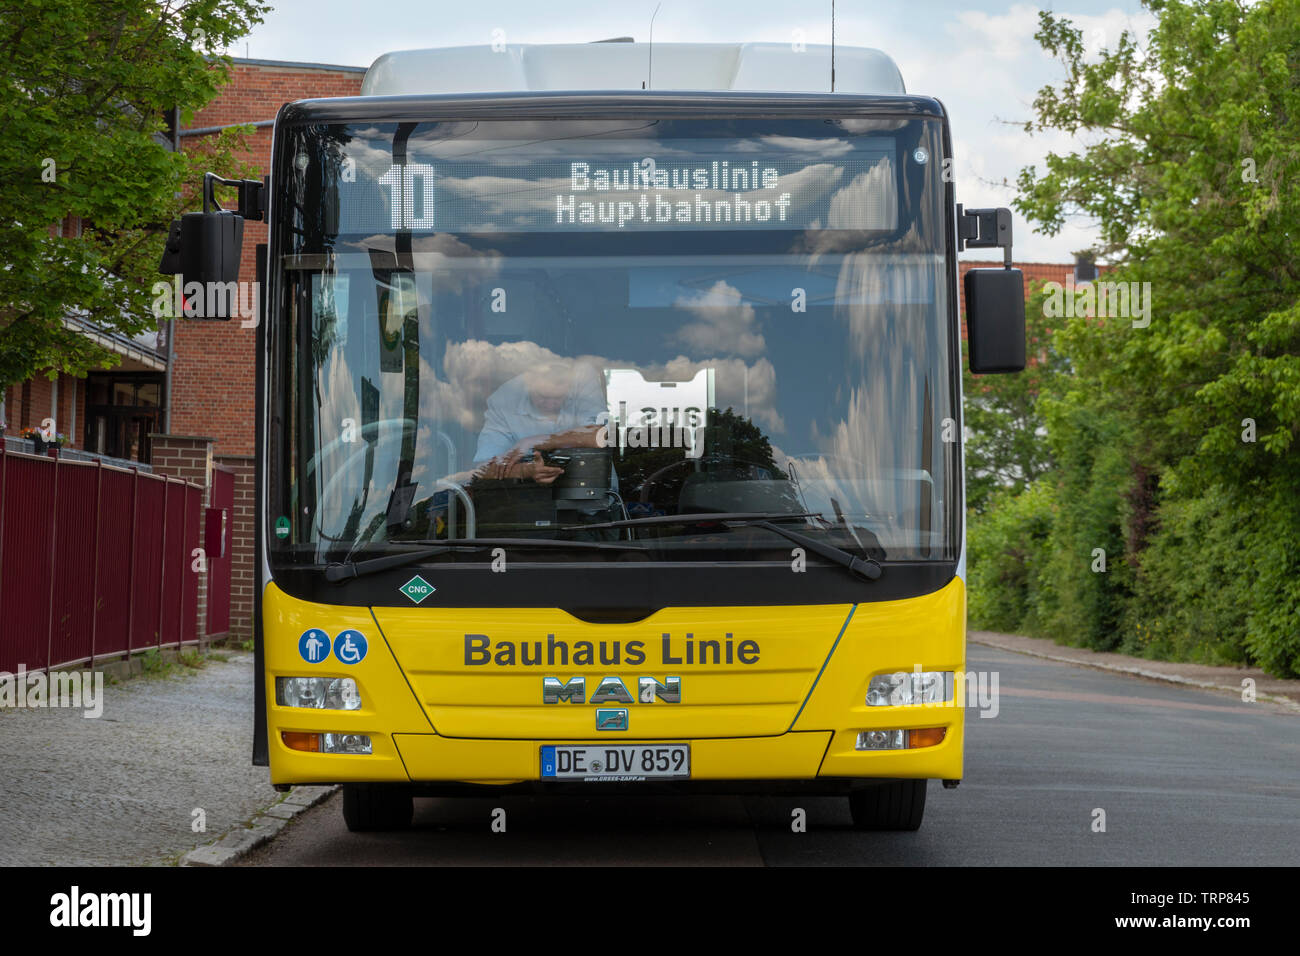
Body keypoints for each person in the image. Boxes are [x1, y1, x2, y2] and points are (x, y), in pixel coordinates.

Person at [472, 361, 608, 483]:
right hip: (526, 501)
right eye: (543, 396)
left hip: (591, 499)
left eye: (558, 397)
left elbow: (601, 435)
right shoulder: (504, 400)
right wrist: (527, 470)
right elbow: (482, 469)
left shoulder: (583, 377)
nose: (550, 404)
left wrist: (534, 442)